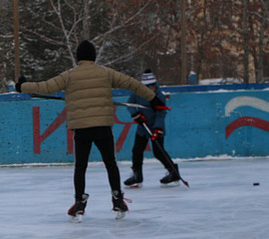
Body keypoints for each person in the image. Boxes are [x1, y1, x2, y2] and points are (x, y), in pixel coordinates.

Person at [16, 39, 158, 220]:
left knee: (80, 167)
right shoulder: (106, 73)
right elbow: (132, 83)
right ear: (94, 56)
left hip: (82, 129)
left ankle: (79, 203)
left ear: (78, 58)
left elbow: (45, 87)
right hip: (103, 127)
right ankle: (117, 199)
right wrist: (153, 99)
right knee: (110, 164)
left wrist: (22, 86)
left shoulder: (69, 75)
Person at [124, 69, 178, 187]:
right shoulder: (137, 93)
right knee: (137, 151)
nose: (151, 88)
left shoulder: (159, 96)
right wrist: (136, 115)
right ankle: (137, 175)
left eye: (153, 85)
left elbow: (161, 113)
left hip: (156, 127)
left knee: (158, 152)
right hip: (143, 127)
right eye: (147, 86)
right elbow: (130, 104)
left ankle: (173, 171)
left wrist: (157, 129)